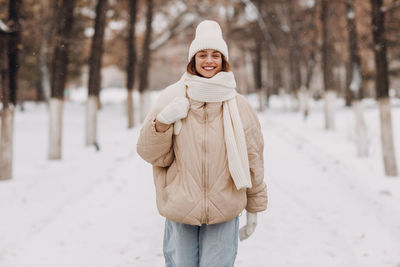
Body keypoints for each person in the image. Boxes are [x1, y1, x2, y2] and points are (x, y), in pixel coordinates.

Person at [137, 19, 267, 267]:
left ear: (224, 60)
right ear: (193, 60)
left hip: (224, 209)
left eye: (215, 55)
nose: (209, 61)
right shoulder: (172, 98)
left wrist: (254, 207)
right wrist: (162, 122)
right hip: (180, 208)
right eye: (203, 55)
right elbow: (151, 154)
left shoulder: (239, 106)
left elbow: (254, 159)